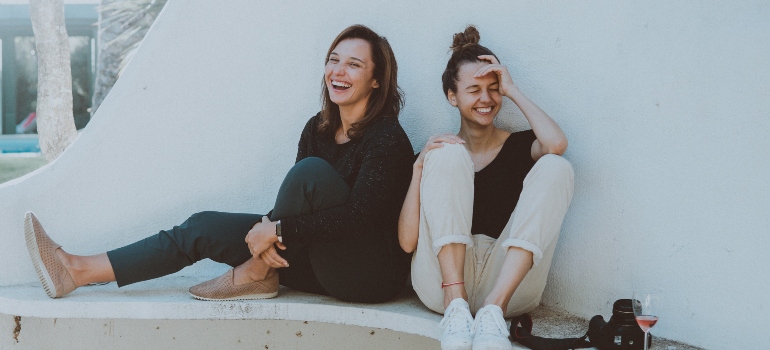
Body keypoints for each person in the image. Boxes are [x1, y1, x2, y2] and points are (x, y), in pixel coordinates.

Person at [25, 24, 414, 304]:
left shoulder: (386, 137)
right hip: (317, 259)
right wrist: (270, 229)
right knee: (202, 227)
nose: (338, 71)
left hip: (366, 276)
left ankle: (258, 273)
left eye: (354, 65)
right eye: (334, 60)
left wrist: (275, 228)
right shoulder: (319, 127)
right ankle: (76, 270)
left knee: (308, 173)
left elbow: (361, 217)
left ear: (377, 80)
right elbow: (296, 207)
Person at [398, 26, 575, 350]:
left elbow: (557, 143)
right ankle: (456, 305)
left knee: (555, 165)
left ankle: (493, 309)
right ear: (452, 96)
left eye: (493, 89)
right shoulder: (437, 156)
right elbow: (408, 242)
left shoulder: (520, 146)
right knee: (448, 152)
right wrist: (418, 168)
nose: (486, 98)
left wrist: (513, 90)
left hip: (507, 285)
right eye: (474, 89)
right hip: (441, 284)